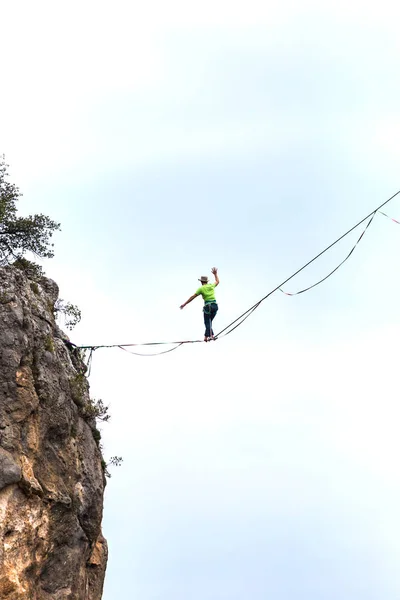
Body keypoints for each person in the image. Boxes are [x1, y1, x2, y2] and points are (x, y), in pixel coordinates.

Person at [180, 267, 220, 342]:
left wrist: (184, 304)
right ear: (207, 281)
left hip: (208, 307)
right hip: (215, 306)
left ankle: (211, 335)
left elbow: (193, 297)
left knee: (207, 322)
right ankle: (206, 336)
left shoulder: (201, 289)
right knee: (209, 322)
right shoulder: (211, 285)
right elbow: (217, 281)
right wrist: (215, 274)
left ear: (201, 282)